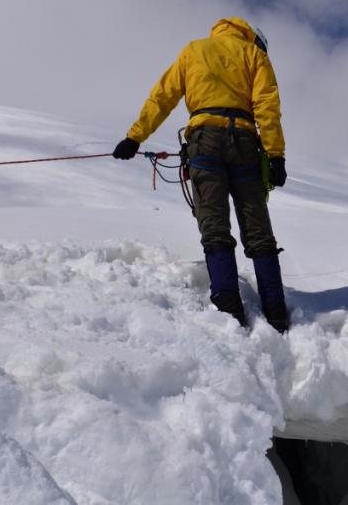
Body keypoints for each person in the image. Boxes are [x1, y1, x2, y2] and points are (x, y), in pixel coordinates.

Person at [112, 17, 290, 333]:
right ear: (252, 37)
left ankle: (228, 308)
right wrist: (275, 156)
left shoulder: (195, 50)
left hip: (204, 142)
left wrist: (135, 137)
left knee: (215, 225)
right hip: (246, 144)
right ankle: (276, 312)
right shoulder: (254, 55)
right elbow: (267, 106)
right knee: (258, 228)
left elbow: (162, 97)